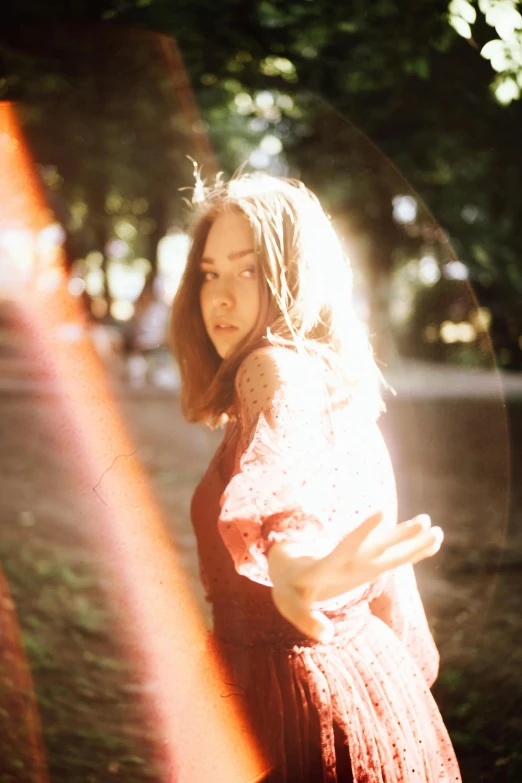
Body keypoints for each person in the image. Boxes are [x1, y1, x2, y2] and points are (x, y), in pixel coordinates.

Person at [170, 173, 461, 782]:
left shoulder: (271, 366)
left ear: (293, 275)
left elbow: (284, 484)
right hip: (365, 683)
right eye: (209, 272)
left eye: (247, 271)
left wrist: (293, 563)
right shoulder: (329, 380)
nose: (219, 297)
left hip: (286, 698)